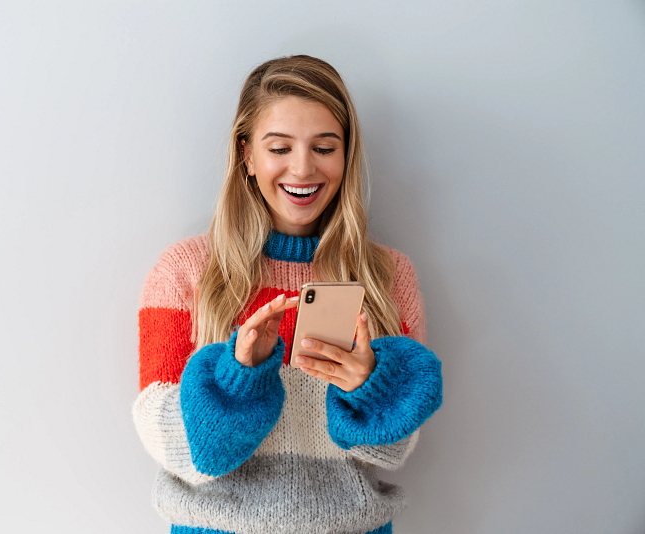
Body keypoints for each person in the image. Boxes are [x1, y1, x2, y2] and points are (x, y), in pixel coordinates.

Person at [133, 55, 443, 534]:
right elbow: (171, 443)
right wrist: (239, 382)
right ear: (246, 155)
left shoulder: (387, 276)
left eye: (324, 147)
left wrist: (367, 387)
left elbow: (392, 451)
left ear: (346, 155)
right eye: (279, 147)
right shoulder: (186, 272)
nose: (303, 169)